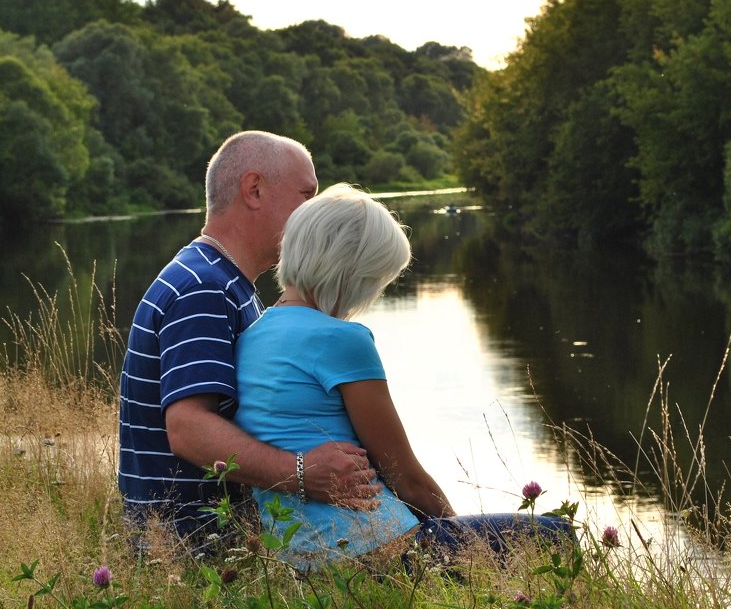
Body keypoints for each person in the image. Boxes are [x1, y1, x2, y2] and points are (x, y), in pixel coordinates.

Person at [234, 183, 572, 568]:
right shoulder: (341, 339)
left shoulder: (251, 335)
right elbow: (407, 479)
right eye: (374, 279)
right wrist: (465, 545)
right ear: (347, 270)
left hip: (298, 554)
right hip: (374, 546)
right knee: (553, 535)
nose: (370, 294)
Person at [118, 131, 381, 549]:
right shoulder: (203, 287)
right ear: (254, 189)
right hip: (191, 552)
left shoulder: (224, 282)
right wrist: (301, 473)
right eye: (306, 194)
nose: (313, 211)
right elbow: (187, 428)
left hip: (219, 551)